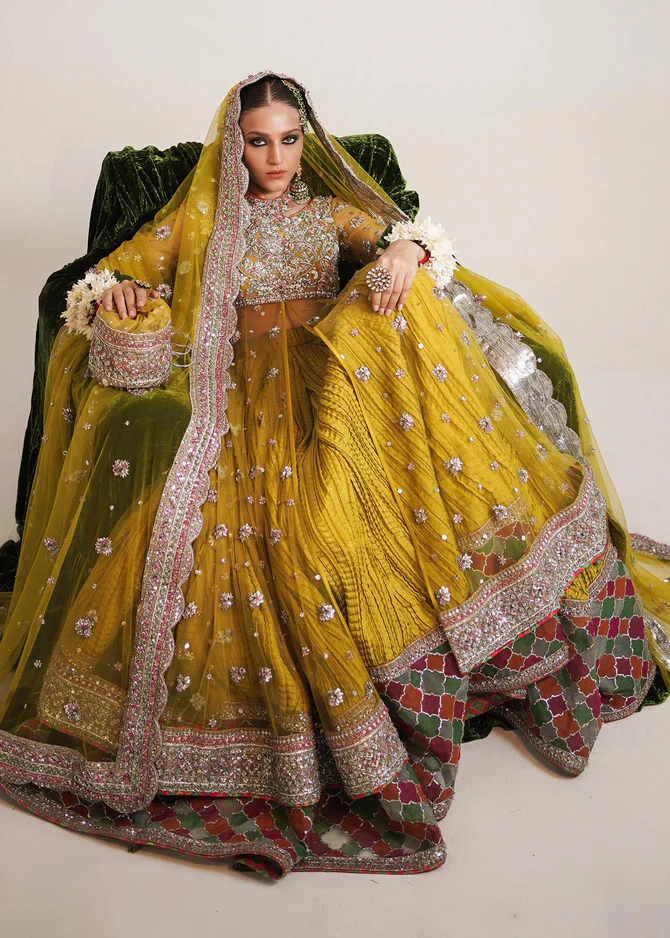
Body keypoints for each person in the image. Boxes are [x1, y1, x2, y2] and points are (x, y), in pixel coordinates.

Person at [0, 70, 668, 879]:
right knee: (268, 540)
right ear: (235, 147)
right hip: (241, 395)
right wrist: (123, 296)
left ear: (305, 141)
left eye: (289, 139)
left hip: (332, 388)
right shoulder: (203, 224)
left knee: (350, 507)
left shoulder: (326, 214)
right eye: (258, 142)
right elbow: (108, 276)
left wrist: (404, 256)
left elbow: (409, 237)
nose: (276, 157)